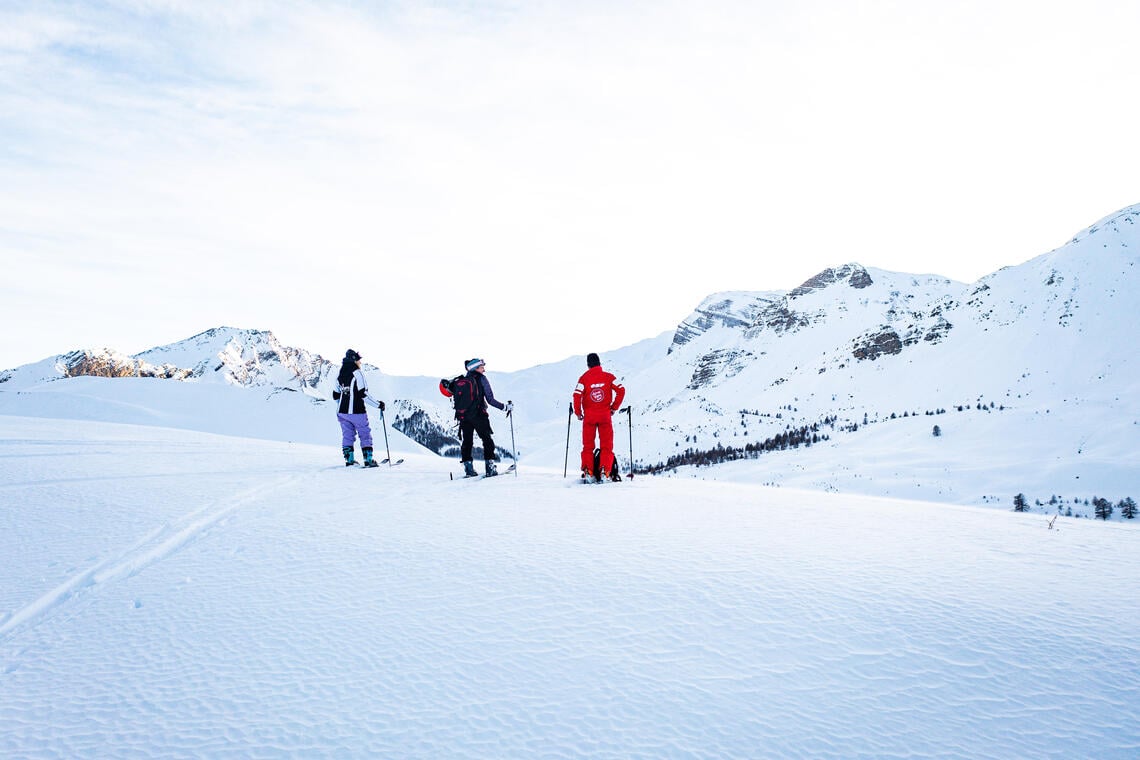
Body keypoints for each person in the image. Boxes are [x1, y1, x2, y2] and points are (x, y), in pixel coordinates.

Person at [573, 352, 626, 482]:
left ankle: (589, 471)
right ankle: (605, 472)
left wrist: (578, 412)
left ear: (588, 365)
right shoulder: (609, 377)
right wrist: (614, 407)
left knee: (588, 446)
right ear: (599, 363)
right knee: (606, 445)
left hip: (589, 417)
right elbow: (621, 390)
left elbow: (576, 395)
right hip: (605, 416)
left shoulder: (583, 379)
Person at [456, 357, 512, 478]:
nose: (484, 370)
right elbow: (490, 400)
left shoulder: (464, 380)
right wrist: (505, 407)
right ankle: (490, 468)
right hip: (479, 415)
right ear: (476, 368)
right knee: (487, 440)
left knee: (467, 442)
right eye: (482, 367)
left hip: (464, 416)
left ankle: (468, 469)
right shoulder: (481, 379)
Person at [333, 349, 386, 467]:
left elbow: (335, 395)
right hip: (357, 411)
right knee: (365, 433)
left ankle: (349, 460)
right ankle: (368, 460)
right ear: (354, 360)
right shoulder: (357, 373)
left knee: (347, 435)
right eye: (358, 360)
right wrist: (379, 404)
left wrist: (343, 405)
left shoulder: (340, 374)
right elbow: (363, 394)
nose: (360, 362)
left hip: (342, 412)